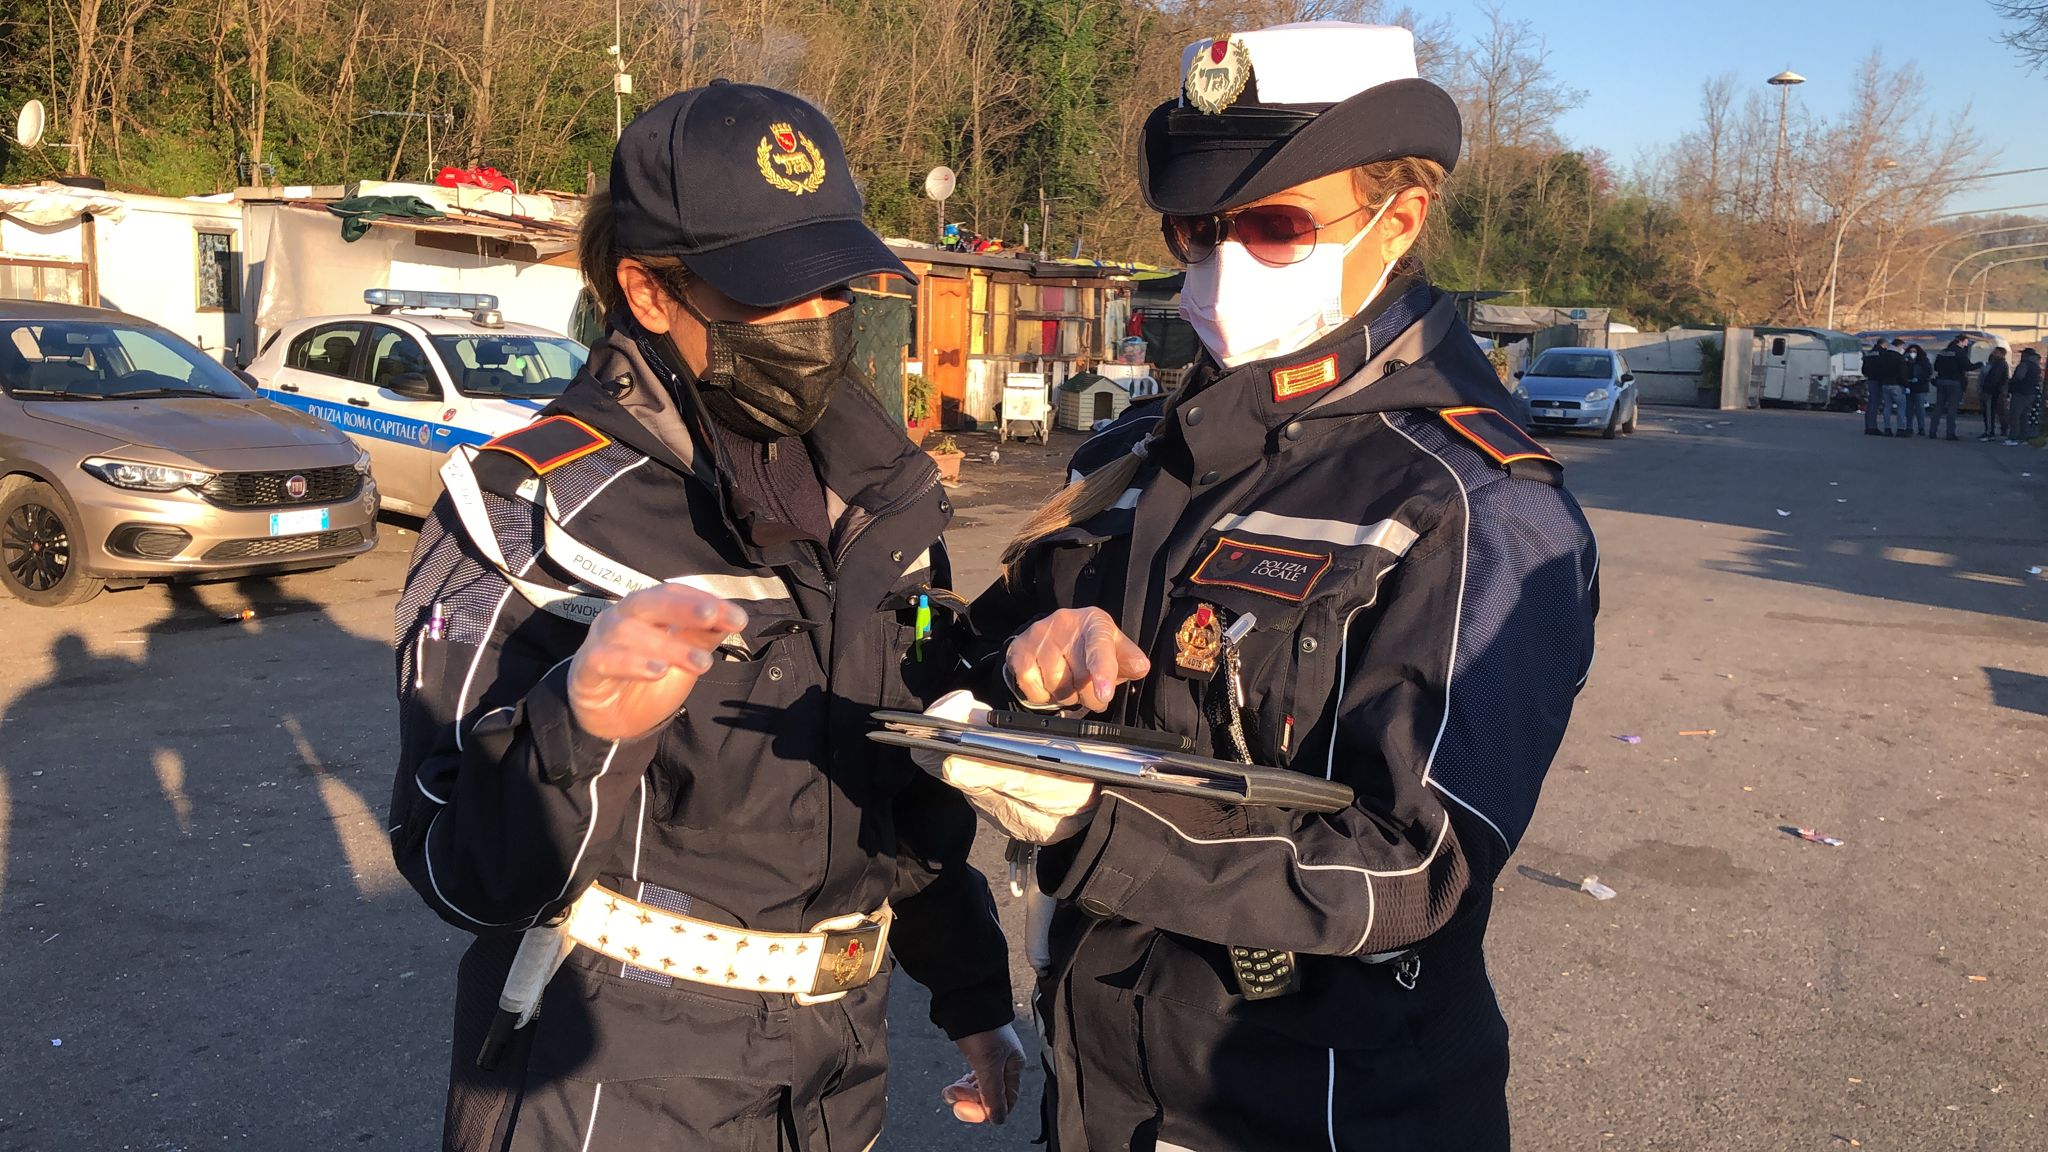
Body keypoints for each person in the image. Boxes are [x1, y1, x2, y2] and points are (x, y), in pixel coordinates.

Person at [946, 24, 1599, 1151]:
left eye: (1272, 226)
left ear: (1397, 220)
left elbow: (1418, 869)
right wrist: (1018, 668)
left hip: (1319, 1108)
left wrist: (1100, 818)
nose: (1219, 264)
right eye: (1196, 229)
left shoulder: (1477, 506)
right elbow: (958, 653)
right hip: (1099, 1089)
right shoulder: (1139, 455)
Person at [387, 82, 1024, 1150]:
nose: (817, 327)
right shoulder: (526, 507)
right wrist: (579, 726)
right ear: (646, 290)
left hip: (837, 1068)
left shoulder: (881, 498)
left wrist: (972, 1002)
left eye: (831, 290)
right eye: (771, 297)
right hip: (615, 1076)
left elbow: (898, 799)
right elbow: (455, 867)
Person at [1930, 335, 1970, 441]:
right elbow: (1967, 366)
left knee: (1938, 407)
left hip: (1941, 381)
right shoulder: (1960, 352)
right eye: (1966, 341)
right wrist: (1981, 363)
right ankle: (1950, 433)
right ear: (1960, 342)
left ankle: (1932, 431)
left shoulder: (1943, 351)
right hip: (1954, 382)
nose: (1967, 344)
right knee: (1952, 409)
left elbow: (1936, 367)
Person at [2008, 346, 2043, 444]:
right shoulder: (2036, 366)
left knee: (2015, 415)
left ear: (2027, 355)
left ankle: (2013, 436)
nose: (2021, 355)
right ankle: (2023, 436)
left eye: (2023, 354)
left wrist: (2011, 382)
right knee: (2025, 416)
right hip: (2031, 393)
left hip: (2020, 392)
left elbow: (2019, 376)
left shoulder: (2024, 364)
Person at [1877, 338, 1909, 436]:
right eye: (1903, 347)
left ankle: (1887, 429)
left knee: (1887, 407)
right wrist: (1906, 384)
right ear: (1899, 346)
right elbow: (1903, 373)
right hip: (1897, 385)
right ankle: (1901, 429)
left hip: (1885, 384)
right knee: (1901, 407)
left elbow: (1879, 371)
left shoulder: (1883, 356)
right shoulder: (1899, 357)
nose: (1903, 349)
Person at [1978, 345, 2010, 441]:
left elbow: (1994, 378)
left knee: (1990, 412)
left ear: (2000, 354)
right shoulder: (1997, 363)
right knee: (1989, 412)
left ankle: (1990, 433)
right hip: (1993, 391)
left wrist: (1987, 389)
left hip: (1992, 392)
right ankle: (1989, 431)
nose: (1993, 353)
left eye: (1995, 352)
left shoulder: (2000, 364)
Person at [1903, 343, 1932, 437]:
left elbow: (1928, 373)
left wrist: (1920, 379)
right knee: (1909, 409)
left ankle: (1921, 428)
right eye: (1911, 351)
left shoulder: (1923, 361)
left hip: (1920, 387)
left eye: (1914, 352)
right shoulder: (1905, 361)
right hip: (1909, 387)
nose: (1912, 353)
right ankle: (1909, 427)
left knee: (1920, 408)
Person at [1860, 339, 1886, 436]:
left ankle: (1868, 426)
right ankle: (1872, 427)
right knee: (1875, 404)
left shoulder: (1869, 354)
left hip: (1870, 379)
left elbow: (1864, 369)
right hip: (1878, 380)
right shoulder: (1883, 354)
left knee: (1871, 403)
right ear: (1884, 344)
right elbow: (1884, 367)